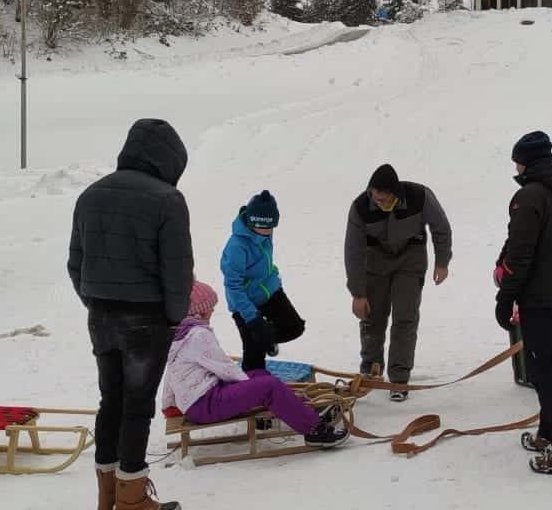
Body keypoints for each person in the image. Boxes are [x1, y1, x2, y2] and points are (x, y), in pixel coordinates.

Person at [68, 118, 193, 510]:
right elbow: (177, 271)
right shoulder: (168, 200)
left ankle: (108, 496)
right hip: (146, 320)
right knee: (137, 408)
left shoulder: (90, 195)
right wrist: (175, 318)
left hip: (101, 317)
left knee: (112, 402)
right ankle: (133, 499)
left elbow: (76, 263)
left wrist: (94, 302)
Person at [494, 131, 552, 477]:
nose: (515, 166)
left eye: (517, 160)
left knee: (546, 376)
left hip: (540, 301)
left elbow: (519, 255)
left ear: (527, 161)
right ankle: (549, 433)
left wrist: (505, 298)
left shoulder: (528, 197)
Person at [162, 281, 347, 448]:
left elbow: (171, 372)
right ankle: (315, 431)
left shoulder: (180, 334)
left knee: (260, 375)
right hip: (205, 404)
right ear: (199, 310)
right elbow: (226, 368)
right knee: (268, 386)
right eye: (210, 307)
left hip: (200, 400)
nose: (212, 311)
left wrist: (169, 404)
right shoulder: (198, 336)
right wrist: (249, 386)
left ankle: (305, 410)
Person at [344, 163, 452, 401]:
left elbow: (441, 227)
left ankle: (399, 379)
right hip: (375, 263)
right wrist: (358, 293)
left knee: (405, 317)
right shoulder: (361, 207)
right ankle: (370, 368)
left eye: (384, 199)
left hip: (409, 260)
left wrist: (442, 261)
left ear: (395, 193)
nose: (379, 203)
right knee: (372, 317)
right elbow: (352, 251)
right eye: (376, 198)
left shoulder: (420, 196)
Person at [221, 190, 306, 371]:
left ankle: (267, 339)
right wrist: (253, 320)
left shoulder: (265, 232)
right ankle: (252, 390)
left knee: (295, 327)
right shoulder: (236, 246)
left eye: (271, 227)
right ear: (251, 222)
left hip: (269, 290)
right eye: (262, 227)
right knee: (253, 356)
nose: (267, 232)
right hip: (244, 302)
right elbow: (232, 286)